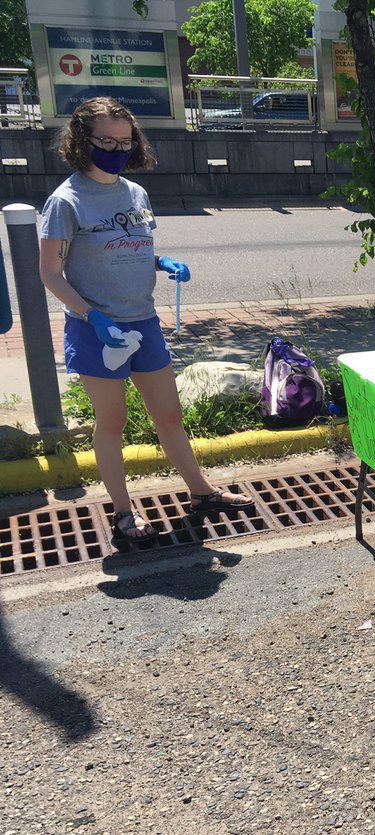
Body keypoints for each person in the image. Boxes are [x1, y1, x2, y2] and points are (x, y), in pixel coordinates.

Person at [39, 97, 254, 549]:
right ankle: (122, 513)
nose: (117, 149)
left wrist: (160, 261)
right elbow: (50, 272)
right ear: (82, 140)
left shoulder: (135, 193)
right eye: (106, 141)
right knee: (112, 421)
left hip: (143, 322)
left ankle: (201, 493)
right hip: (97, 328)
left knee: (169, 415)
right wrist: (92, 317)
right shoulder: (66, 201)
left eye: (125, 140)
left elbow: (124, 245)